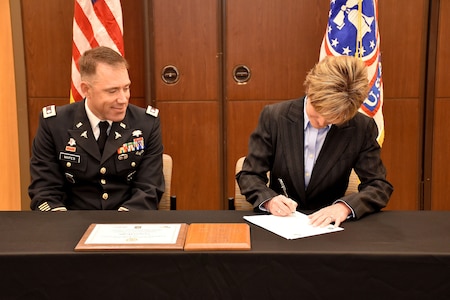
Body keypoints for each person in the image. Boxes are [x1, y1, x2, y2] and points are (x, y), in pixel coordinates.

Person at [236, 55, 393, 227]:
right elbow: (249, 175)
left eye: (331, 120)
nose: (320, 123)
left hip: (330, 229)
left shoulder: (361, 127)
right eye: (317, 113)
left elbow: (378, 186)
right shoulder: (275, 117)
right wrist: (269, 201)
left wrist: (344, 208)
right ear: (310, 90)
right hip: (280, 225)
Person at [29, 46, 165, 211]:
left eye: (126, 88)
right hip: (70, 224)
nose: (123, 99)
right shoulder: (54, 124)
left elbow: (148, 188)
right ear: (86, 89)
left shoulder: (146, 123)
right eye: (112, 91)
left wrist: (120, 226)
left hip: (127, 224)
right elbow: (44, 190)